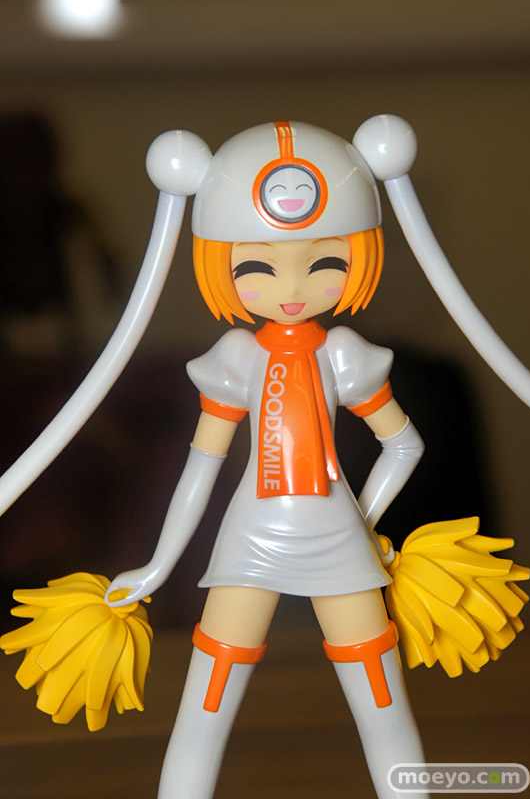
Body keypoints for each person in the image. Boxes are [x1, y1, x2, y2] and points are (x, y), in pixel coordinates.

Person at [106, 121, 428, 799]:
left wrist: (363, 523)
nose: (291, 286)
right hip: (249, 543)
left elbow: (404, 444)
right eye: (256, 267)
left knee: (382, 706)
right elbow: (200, 468)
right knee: (205, 710)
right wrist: (159, 564)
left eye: (322, 262)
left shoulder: (344, 354)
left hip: (339, 544)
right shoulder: (235, 359)